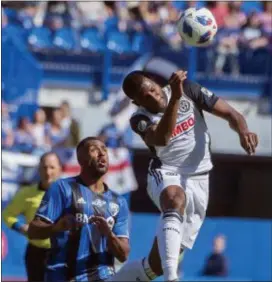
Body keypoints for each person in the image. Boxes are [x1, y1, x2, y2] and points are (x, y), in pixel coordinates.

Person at [109, 70, 258, 282]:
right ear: (136, 102)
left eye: (152, 88)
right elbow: (162, 138)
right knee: (173, 198)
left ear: (155, 82)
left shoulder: (188, 89)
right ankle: (173, 278)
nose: (153, 95)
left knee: (153, 268)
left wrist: (243, 131)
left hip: (199, 178)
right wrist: (176, 100)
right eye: (145, 96)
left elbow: (232, 115)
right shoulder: (140, 119)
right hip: (166, 171)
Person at [28, 136, 130, 282]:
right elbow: (33, 231)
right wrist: (56, 227)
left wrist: (109, 234)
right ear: (80, 159)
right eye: (94, 150)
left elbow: (123, 254)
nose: (102, 154)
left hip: (102, 276)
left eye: (104, 150)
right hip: (62, 274)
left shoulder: (118, 202)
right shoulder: (62, 188)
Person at [3, 152, 63, 282]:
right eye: (44, 167)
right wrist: (20, 227)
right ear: (39, 169)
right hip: (37, 252)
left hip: (62, 252)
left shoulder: (70, 193)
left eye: (52, 167)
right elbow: (8, 215)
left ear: (60, 169)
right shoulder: (27, 193)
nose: (48, 172)